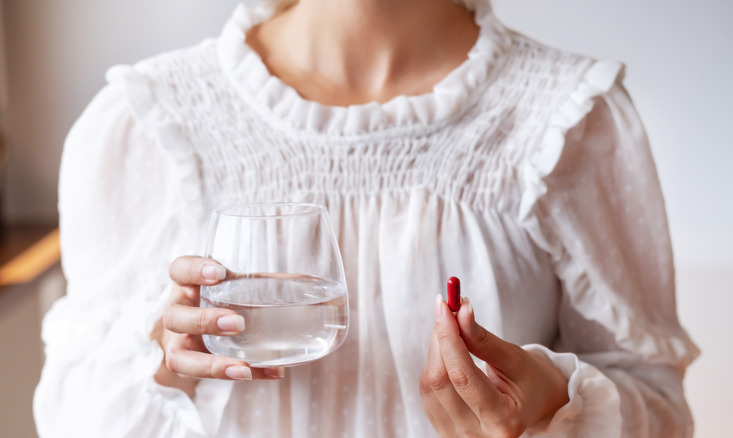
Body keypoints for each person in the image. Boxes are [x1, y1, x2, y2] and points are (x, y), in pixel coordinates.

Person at [34, 0, 699, 436]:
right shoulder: (147, 122)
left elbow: (660, 411)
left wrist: (555, 404)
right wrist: (165, 364)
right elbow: (69, 417)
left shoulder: (571, 119)